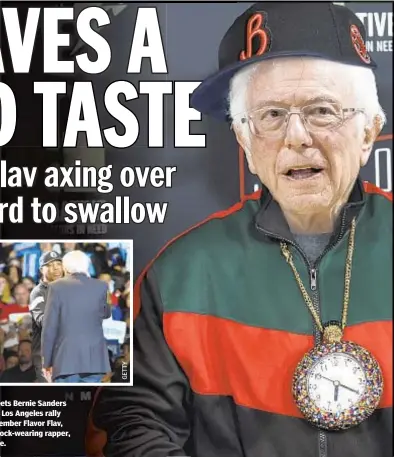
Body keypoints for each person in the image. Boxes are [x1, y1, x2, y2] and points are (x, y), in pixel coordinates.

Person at [88, 3, 392, 457]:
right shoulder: (181, 274)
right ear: (245, 143)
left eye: (322, 110)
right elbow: (134, 425)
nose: (296, 137)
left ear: (369, 131)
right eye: (269, 115)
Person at [41, 250, 111, 383]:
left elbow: (49, 327)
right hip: (94, 360)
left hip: (65, 360)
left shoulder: (56, 287)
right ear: (87, 266)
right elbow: (106, 313)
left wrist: (46, 362)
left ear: (65, 267)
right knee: (90, 402)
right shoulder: (102, 286)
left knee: (68, 401)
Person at [29, 250, 64, 382]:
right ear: (41, 270)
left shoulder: (68, 288)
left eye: (58, 264)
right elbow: (43, 322)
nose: (55, 268)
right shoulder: (37, 293)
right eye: (49, 265)